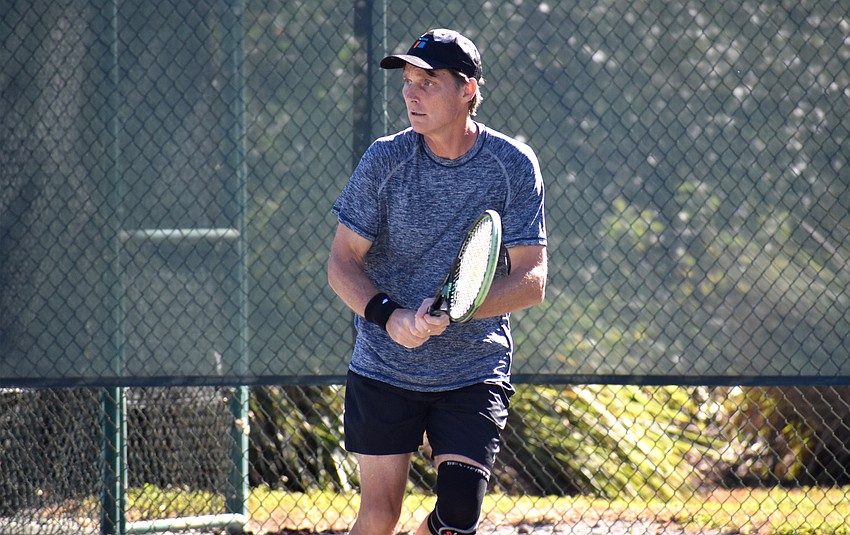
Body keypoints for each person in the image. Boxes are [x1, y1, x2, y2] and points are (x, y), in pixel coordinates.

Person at [328, 28, 547, 535]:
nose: (410, 93)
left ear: (468, 89)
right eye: (407, 81)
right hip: (384, 367)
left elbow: (532, 279)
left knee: (458, 518)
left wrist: (457, 310)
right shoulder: (385, 159)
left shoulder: (512, 165)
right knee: (379, 516)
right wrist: (390, 315)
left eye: (427, 82)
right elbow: (342, 262)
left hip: (473, 372)